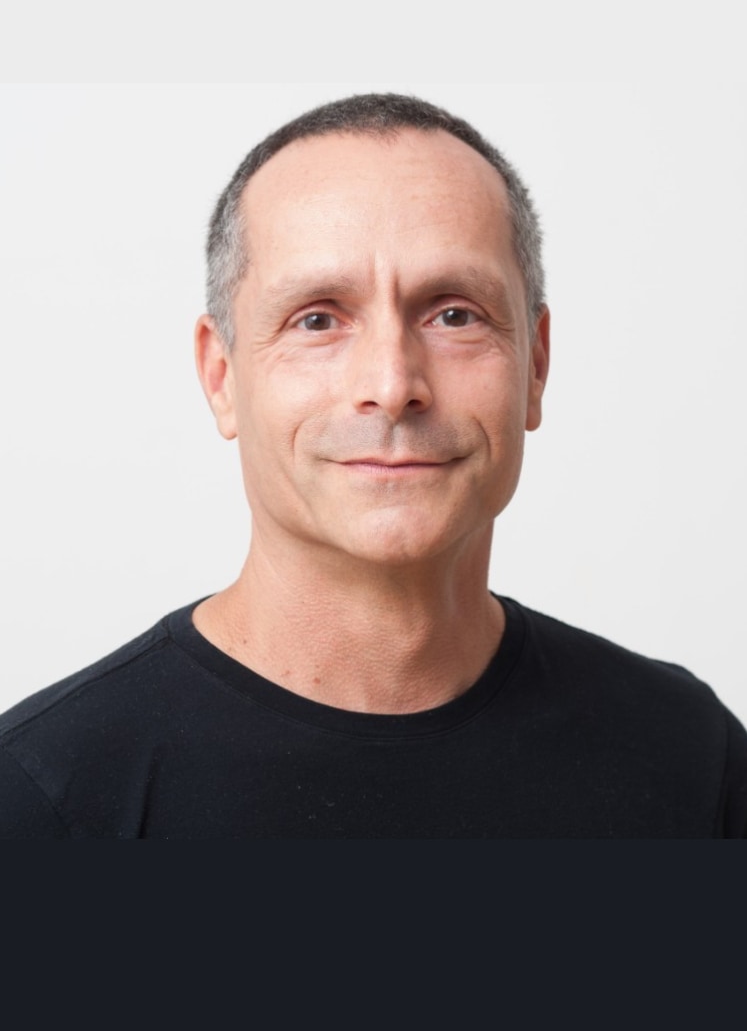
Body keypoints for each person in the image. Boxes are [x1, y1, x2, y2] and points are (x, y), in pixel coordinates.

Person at [1, 92, 745, 839]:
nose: (391, 385)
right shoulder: (45, 799)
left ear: (536, 365)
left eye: (453, 314)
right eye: (317, 319)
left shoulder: (688, 756)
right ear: (221, 376)